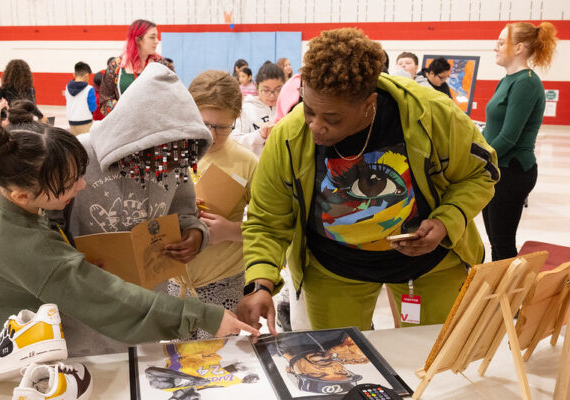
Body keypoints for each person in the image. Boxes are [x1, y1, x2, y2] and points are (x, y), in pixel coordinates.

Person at [236, 28, 499, 334]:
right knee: (340, 366)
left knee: (433, 361)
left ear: (369, 104)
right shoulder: (289, 136)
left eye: (332, 119)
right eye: (309, 110)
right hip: (333, 270)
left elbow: (481, 174)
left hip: (429, 267)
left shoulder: (430, 114)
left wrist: (446, 221)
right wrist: (260, 282)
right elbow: (267, 219)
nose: (315, 127)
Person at [0, 100, 258, 366]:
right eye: (68, 186)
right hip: (5, 358)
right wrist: (203, 316)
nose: (81, 187)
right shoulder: (30, 249)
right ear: (22, 196)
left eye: (80, 175)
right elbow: (111, 300)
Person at [68, 61, 215, 354]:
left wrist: (195, 235)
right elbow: (44, 226)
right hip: (85, 314)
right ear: (135, 141)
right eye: (162, 156)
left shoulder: (177, 160)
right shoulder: (78, 156)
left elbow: (184, 212)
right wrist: (69, 263)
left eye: (180, 159)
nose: (171, 167)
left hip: (145, 310)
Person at [166, 70, 258, 340]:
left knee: (222, 367)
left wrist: (231, 230)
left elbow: (270, 227)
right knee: (181, 364)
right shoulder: (170, 156)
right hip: (175, 283)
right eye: (204, 123)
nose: (212, 135)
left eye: (223, 127)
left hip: (224, 282)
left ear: (236, 120)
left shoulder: (247, 162)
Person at [482, 22, 558, 261]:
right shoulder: (508, 79)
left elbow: (509, 137)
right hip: (497, 169)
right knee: (496, 242)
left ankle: (507, 297)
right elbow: (493, 130)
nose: (495, 47)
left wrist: (477, 161)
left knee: (502, 245)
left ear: (519, 48)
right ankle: (500, 294)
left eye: (502, 42)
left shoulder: (525, 82)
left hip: (511, 171)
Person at [99, 19, 173, 116]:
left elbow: (173, 95)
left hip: (155, 125)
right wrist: (123, 110)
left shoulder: (162, 65)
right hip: (125, 126)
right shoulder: (116, 66)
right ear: (138, 40)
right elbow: (105, 99)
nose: (157, 41)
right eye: (152, 37)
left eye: (157, 37)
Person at [232, 62, 285, 157]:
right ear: (256, 86)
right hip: (255, 167)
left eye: (278, 90)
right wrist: (260, 135)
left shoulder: (288, 108)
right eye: (266, 90)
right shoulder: (246, 109)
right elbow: (235, 141)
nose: (272, 95)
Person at [64, 61, 97, 135]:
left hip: (71, 122)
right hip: (85, 121)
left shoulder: (67, 87)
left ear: (74, 74)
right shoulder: (89, 89)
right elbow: (92, 107)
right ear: (86, 75)